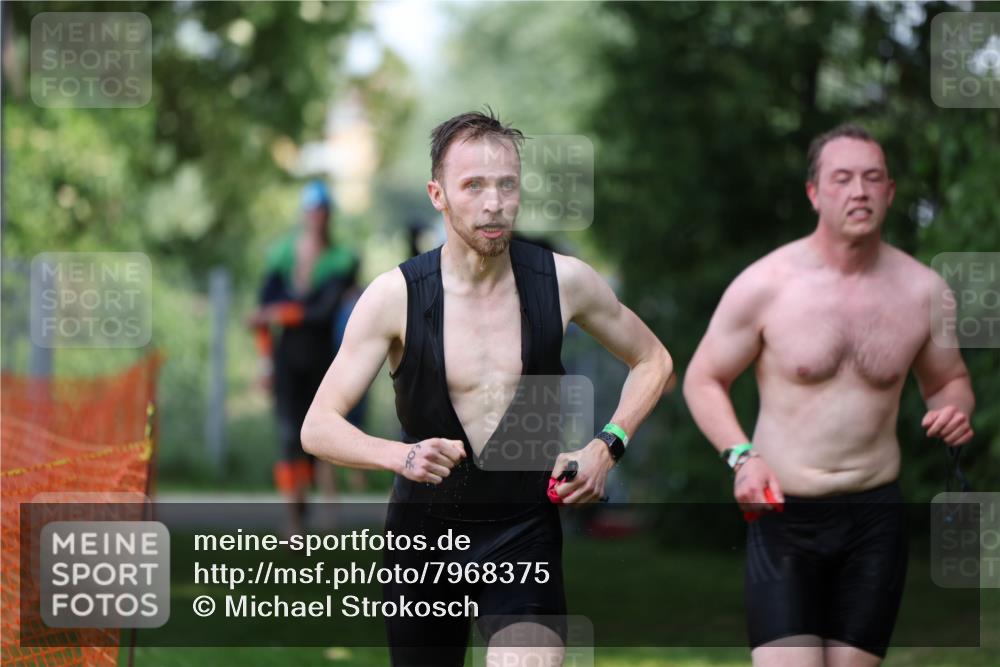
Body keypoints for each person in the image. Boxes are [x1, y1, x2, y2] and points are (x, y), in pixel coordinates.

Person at [301, 109, 673, 666]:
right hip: (423, 538)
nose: (493, 202)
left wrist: (606, 446)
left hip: (523, 529)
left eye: (506, 185)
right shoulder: (395, 296)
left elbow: (653, 359)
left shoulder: (564, 281)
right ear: (438, 194)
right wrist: (401, 456)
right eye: (473, 185)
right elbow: (317, 426)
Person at [683, 124, 975, 666]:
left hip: (874, 517)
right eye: (842, 179)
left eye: (872, 178)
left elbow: (947, 382)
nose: (859, 191)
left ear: (890, 191)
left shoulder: (923, 292)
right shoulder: (767, 284)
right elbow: (703, 378)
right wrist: (742, 457)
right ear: (815, 193)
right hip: (784, 514)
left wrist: (954, 411)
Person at [249, 180, 360, 536]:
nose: (316, 217)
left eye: (322, 211)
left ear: (329, 216)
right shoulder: (281, 256)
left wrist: (280, 313)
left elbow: (322, 311)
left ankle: (322, 509)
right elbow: (260, 315)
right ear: (304, 214)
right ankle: (293, 518)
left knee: (320, 436)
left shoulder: (342, 260)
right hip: (286, 360)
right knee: (287, 436)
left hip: (324, 360)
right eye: (311, 211)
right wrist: (265, 362)